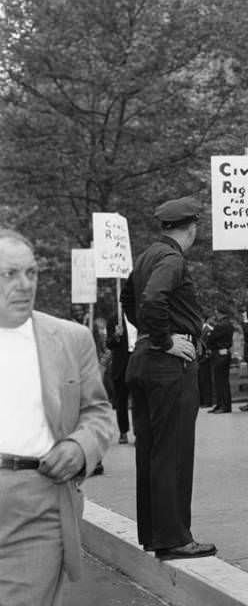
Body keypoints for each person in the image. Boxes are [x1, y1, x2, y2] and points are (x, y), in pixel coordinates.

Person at [0, 228, 114, 605]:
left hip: (36, 502)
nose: (24, 285)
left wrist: (81, 447)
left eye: (31, 273)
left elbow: (97, 412)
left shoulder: (70, 338)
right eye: (9, 274)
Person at [122, 195, 216, 561]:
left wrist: (148, 335)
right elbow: (150, 299)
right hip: (167, 366)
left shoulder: (147, 256)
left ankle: (158, 536)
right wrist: (165, 339)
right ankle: (175, 538)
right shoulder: (173, 258)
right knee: (173, 453)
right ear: (191, 228)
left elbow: (129, 299)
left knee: (152, 454)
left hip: (144, 361)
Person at [105, 314, 132, 444]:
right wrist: (116, 335)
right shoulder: (114, 320)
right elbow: (109, 344)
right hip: (120, 366)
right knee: (121, 401)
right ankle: (123, 431)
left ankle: (140, 433)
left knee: (140, 401)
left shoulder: (140, 316)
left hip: (137, 362)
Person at [206, 306, 234, 414]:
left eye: (216, 312)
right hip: (223, 352)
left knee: (221, 381)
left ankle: (224, 405)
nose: (215, 314)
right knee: (220, 381)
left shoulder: (221, 325)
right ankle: (220, 404)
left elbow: (211, 338)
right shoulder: (228, 323)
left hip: (219, 353)